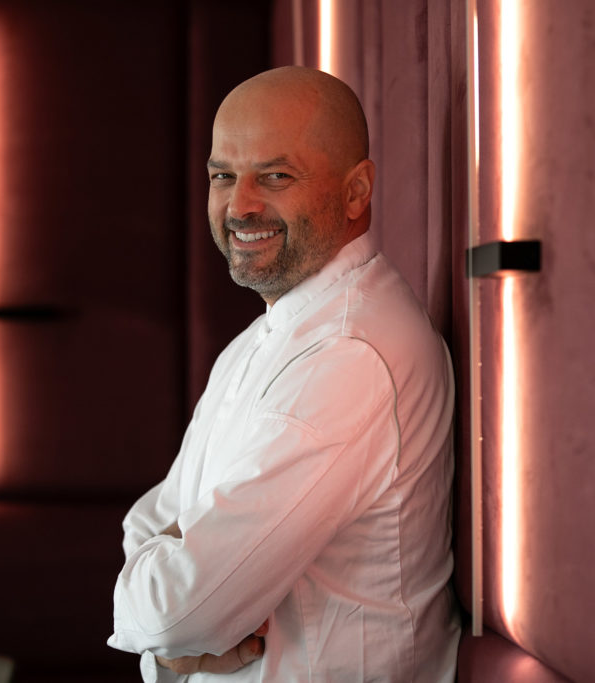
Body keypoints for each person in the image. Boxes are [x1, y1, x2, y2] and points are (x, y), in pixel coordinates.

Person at [107, 66, 460, 682]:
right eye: (223, 176)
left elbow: (173, 612)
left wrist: (166, 634)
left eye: (275, 176)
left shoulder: (347, 356)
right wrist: (168, 631)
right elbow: (150, 521)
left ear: (356, 192)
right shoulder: (258, 343)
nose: (240, 205)